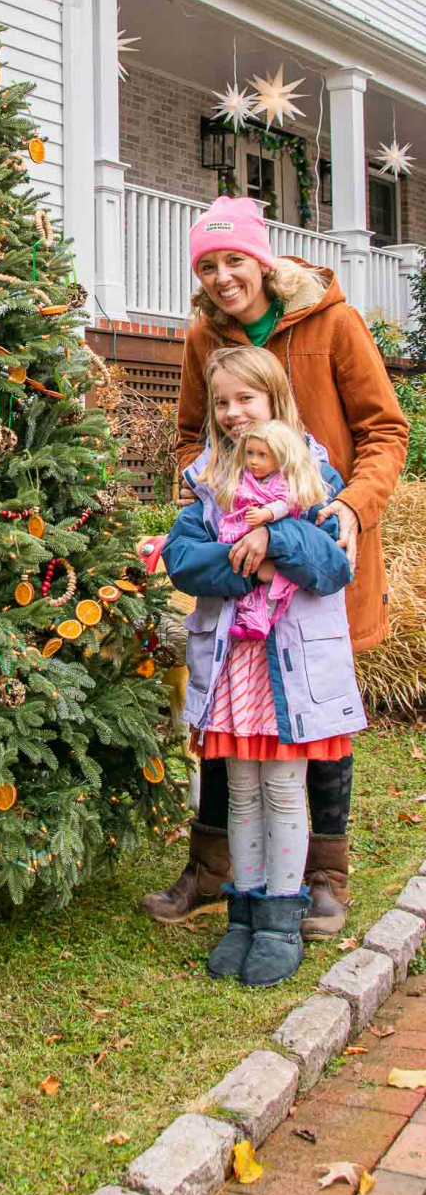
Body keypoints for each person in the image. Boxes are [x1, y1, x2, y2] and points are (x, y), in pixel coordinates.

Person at [140, 196, 407, 939]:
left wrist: (352, 507)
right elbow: (194, 433)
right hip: (236, 556)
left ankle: (322, 876)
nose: (225, 278)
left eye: (235, 260)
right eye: (208, 265)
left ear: (263, 261)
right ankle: (214, 865)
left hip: (323, 552)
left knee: (314, 716)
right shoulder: (205, 335)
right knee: (230, 707)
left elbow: (385, 428)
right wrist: (199, 519)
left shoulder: (331, 322)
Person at [161, 354, 364, 986]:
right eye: (221, 403)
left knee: (281, 791)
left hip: (289, 671)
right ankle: (243, 913)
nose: (231, 413)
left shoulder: (312, 474)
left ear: (274, 399)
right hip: (233, 667)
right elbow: (184, 560)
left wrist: (276, 542)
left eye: (245, 399)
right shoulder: (209, 479)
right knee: (242, 791)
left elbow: (332, 566)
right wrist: (251, 562)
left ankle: (281, 916)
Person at [216, 421, 321, 641]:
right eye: (250, 453)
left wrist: (266, 514)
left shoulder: (282, 483)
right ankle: (246, 620)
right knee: (248, 587)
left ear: (281, 456)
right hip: (244, 536)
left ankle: (261, 620)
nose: (253, 460)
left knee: (268, 589)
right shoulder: (245, 480)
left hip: (271, 539)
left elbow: (286, 504)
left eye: (262, 455)